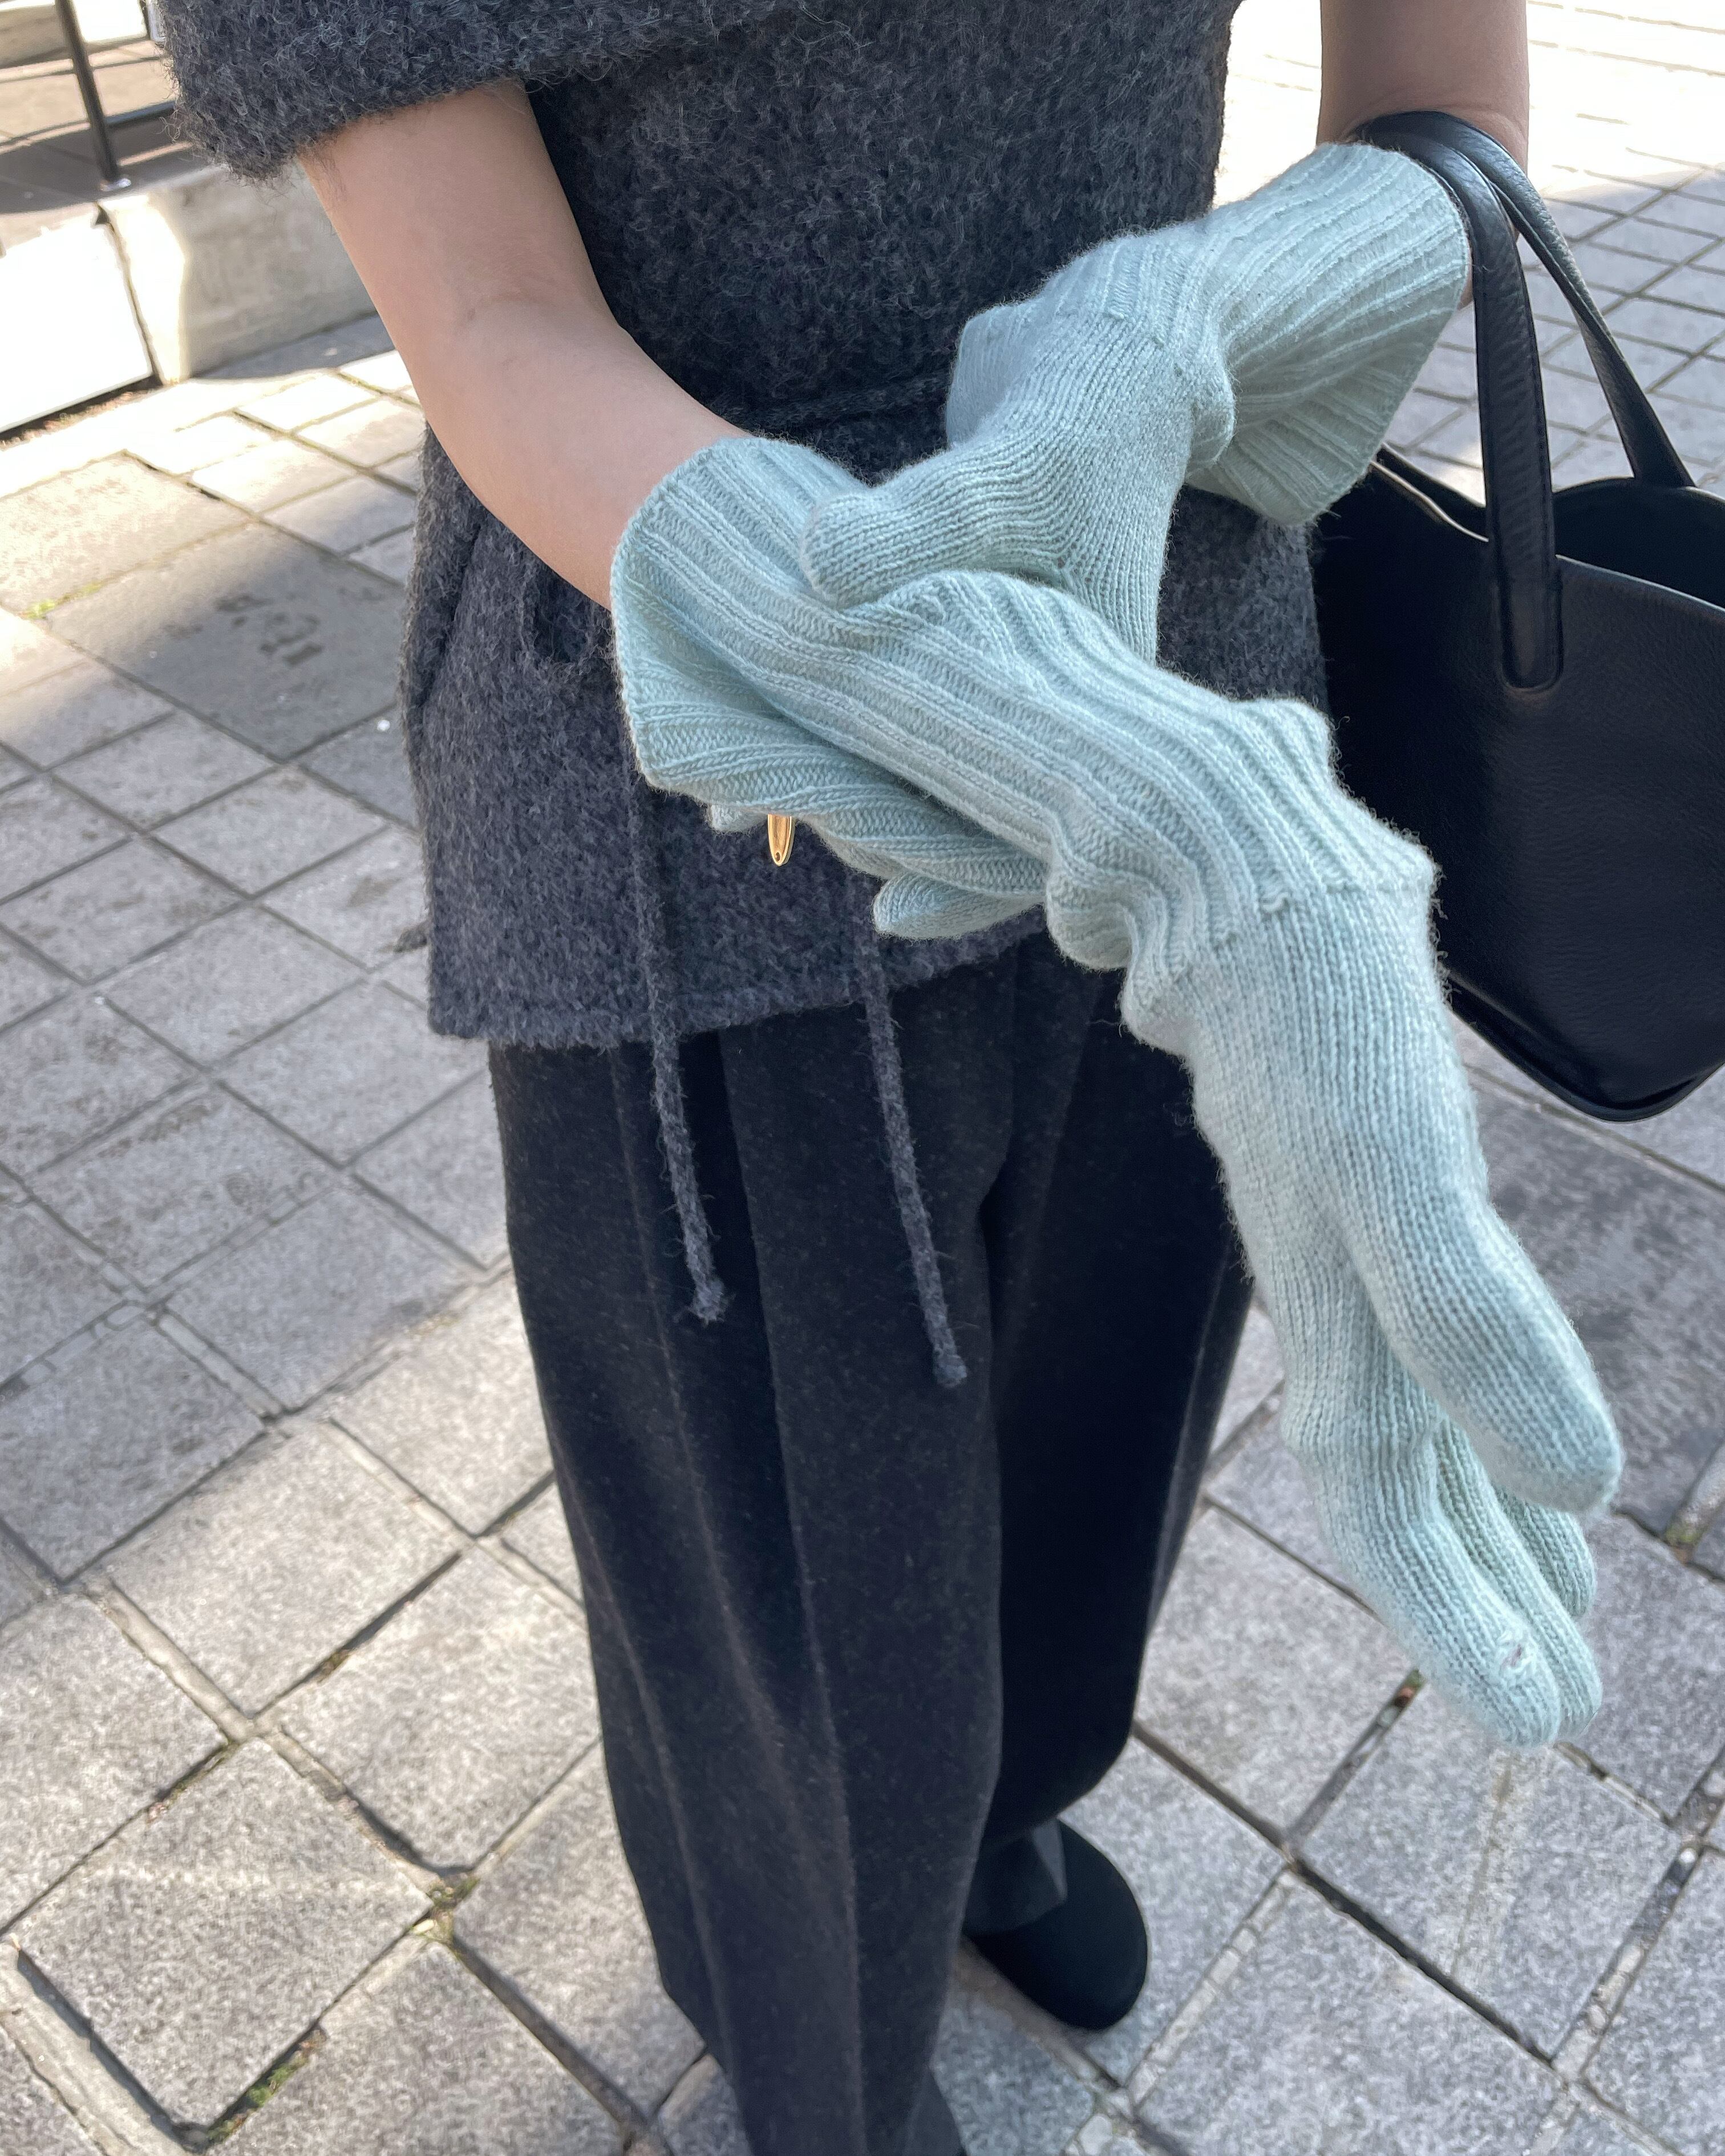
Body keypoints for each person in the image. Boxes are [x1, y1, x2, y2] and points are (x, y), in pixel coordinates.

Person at [154, 5, 1617, 2153]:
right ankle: (822, 2064)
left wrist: (1181, 318)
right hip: (697, 796)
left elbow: (1444, 105)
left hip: (1176, 656)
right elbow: (489, 309)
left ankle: (1006, 1811)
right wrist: (893, 643)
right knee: (786, 1632)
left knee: (1100, 1442)